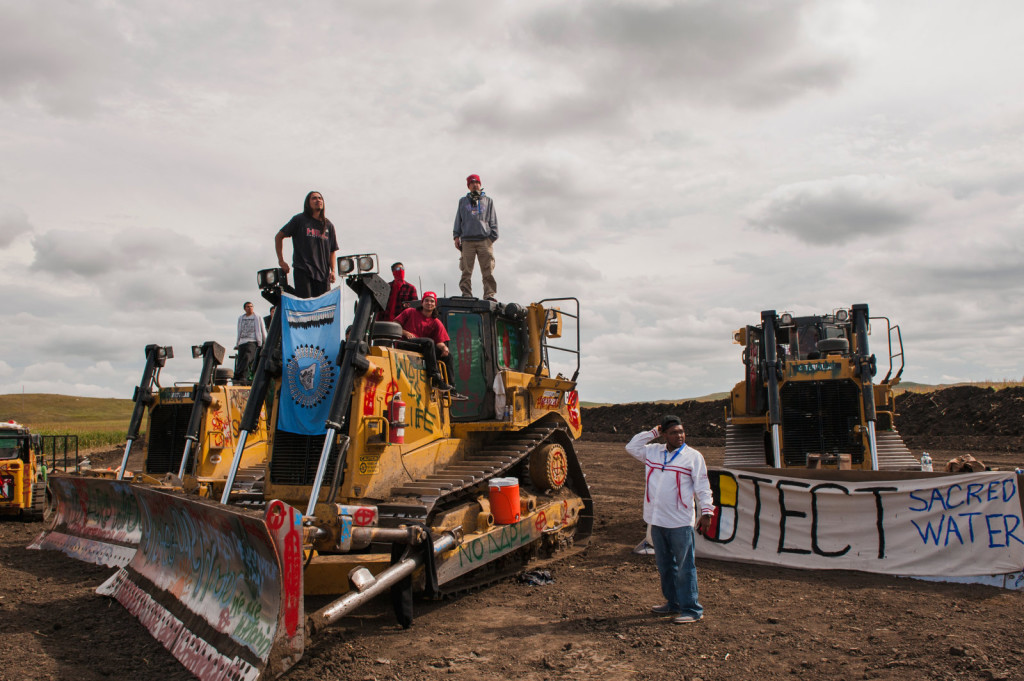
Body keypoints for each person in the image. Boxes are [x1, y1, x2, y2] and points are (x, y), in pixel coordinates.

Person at [625, 415, 715, 624]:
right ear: (664, 435)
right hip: (656, 520)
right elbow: (631, 446)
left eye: (682, 432)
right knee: (665, 566)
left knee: (685, 567)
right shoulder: (653, 452)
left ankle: (692, 609)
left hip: (680, 521)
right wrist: (653, 432)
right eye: (674, 432)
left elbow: (703, 487)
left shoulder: (693, 457)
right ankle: (673, 603)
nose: (679, 436)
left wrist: (707, 513)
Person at [395, 292, 464, 398]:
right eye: (426, 300)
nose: (429, 303)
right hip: (405, 344)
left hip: (423, 348)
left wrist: (444, 348)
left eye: (432, 301)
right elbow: (395, 324)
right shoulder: (410, 312)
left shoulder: (436, 322)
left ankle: (451, 390)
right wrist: (406, 333)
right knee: (429, 342)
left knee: (447, 356)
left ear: (435, 305)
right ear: (422, 302)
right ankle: (436, 379)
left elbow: (439, 341)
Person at [275, 190, 339, 298]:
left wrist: (333, 270)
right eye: (314, 198)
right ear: (307, 203)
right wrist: (281, 261)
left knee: (322, 308)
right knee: (306, 306)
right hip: (303, 269)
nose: (318, 200)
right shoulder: (299, 220)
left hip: (323, 274)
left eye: (320, 198)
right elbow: (278, 237)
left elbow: (332, 250)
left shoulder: (328, 225)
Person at [453, 174, 498, 301]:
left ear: (480, 184)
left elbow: (493, 220)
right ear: (468, 186)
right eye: (472, 183)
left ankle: (489, 294)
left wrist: (491, 237)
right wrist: (456, 236)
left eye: (477, 182)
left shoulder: (488, 201)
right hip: (467, 240)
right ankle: (466, 294)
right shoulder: (463, 201)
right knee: (466, 270)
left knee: (487, 269)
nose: (475, 184)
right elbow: (458, 219)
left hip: (484, 240)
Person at [234, 301, 266, 385]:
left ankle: (239, 374)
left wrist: (264, 341)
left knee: (248, 357)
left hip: (252, 341)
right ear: (245, 309)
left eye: (251, 306)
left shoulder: (257, 317)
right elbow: (239, 331)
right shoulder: (241, 318)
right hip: (242, 341)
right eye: (248, 306)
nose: (250, 308)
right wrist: (237, 343)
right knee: (241, 359)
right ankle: (241, 377)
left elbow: (262, 329)